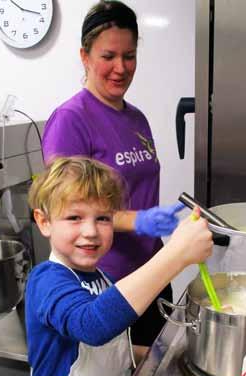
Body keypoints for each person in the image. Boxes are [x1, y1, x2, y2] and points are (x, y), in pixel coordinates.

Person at [42, 0, 183, 349]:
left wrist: (156, 229)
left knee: (150, 369)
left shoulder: (137, 118)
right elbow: (69, 211)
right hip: (108, 282)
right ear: (85, 56)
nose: (121, 67)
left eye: (130, 55)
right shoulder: (70, 120)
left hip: (152, 266)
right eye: (108, 56)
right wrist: (138, 221)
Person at [26, 156, 213, 376]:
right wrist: (176, 255)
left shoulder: (103, 279)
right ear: (44, 222)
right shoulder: (46, 280)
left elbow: (106, 349)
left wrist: (154, 357)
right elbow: (91, 325)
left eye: (103, 218)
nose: (91, 231)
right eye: (74, 218)